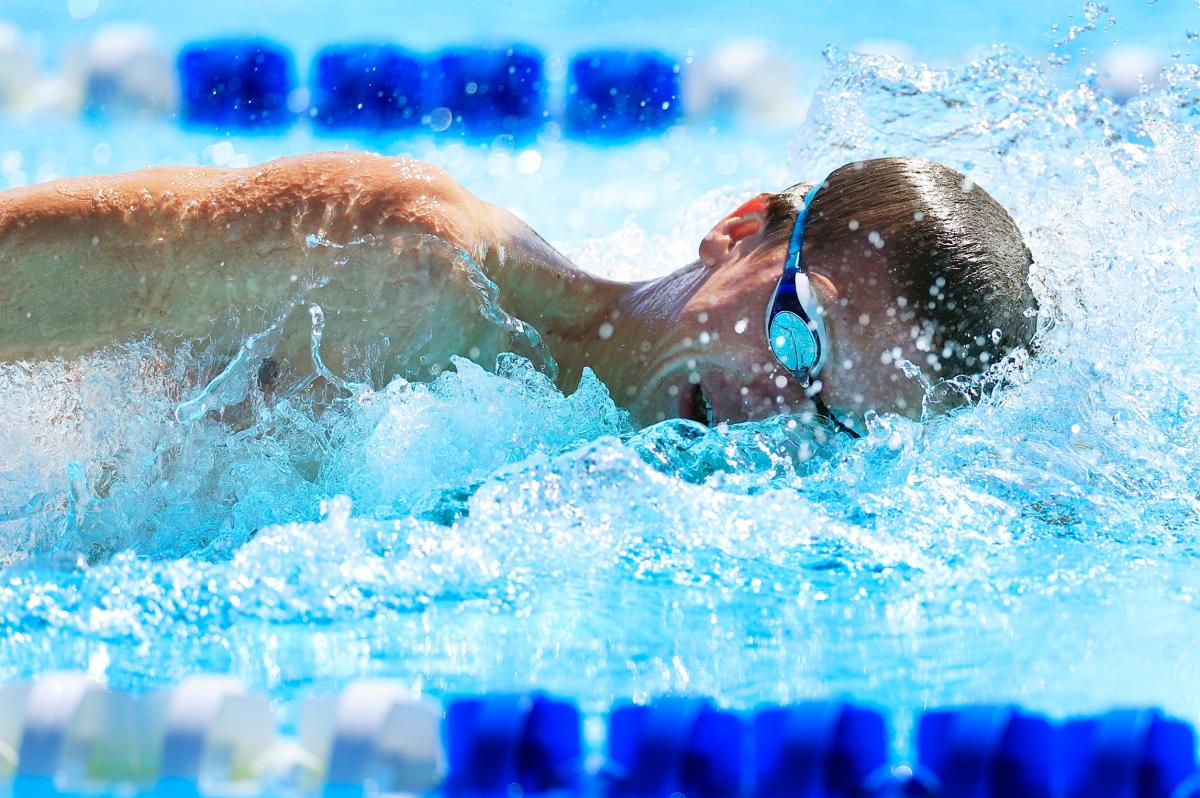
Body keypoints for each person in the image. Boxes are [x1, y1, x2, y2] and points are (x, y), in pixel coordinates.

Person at [0, 152, 1037, 434]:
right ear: (738, 231)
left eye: (837, 417)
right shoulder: (402, 259)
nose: (777, 409)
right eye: (803, 336)